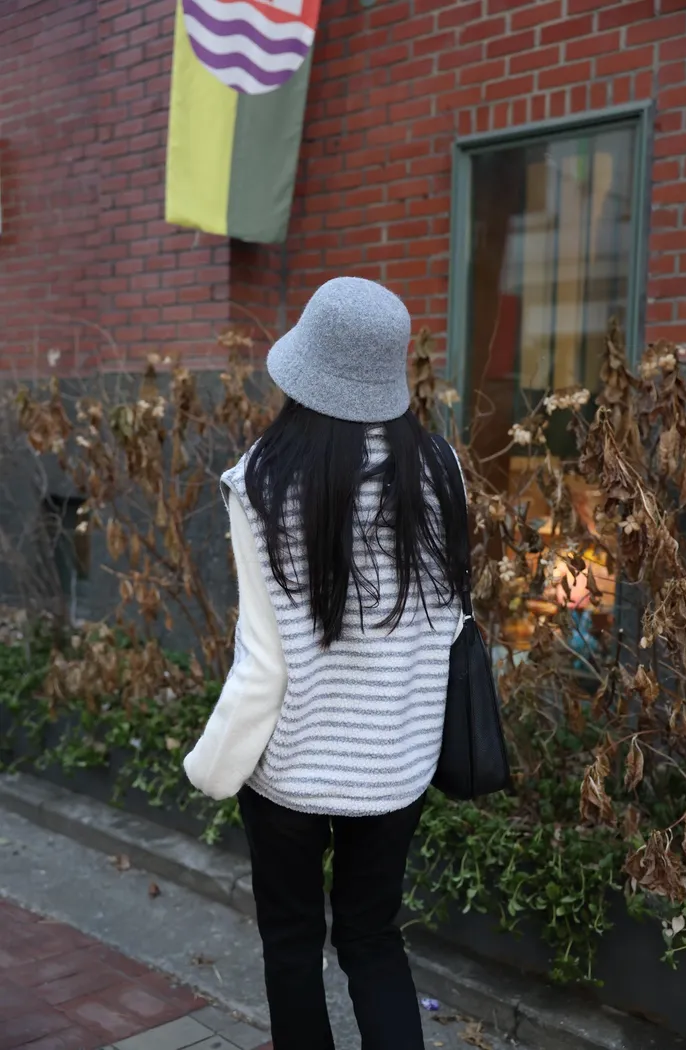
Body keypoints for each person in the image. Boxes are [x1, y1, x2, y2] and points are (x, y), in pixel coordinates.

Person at [184, 276, 467, 1050]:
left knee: (291, 944)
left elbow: (264, 664)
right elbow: (444, 627)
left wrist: (212, 764)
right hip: (397, 764)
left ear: (305, 368)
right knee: (374, 942)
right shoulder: (441, 470)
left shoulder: (260, 479)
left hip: (292, 770)